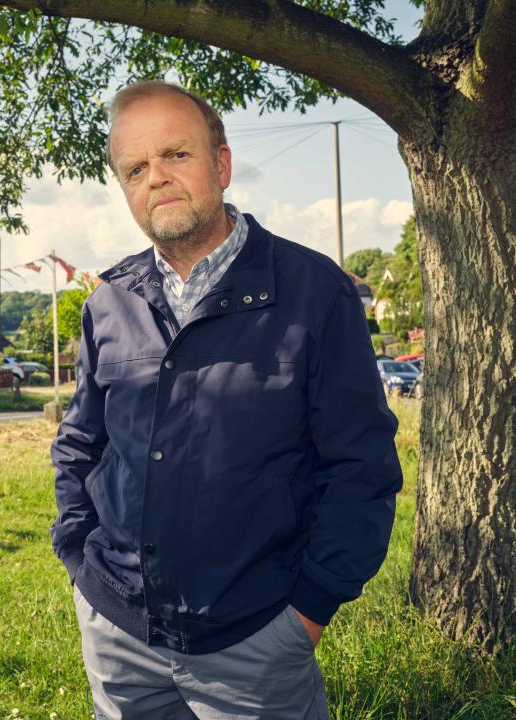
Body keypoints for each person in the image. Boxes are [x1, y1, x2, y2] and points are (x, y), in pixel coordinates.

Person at [51, 80, 403, 720]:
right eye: (135, 168)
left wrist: (310, 608)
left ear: (222, 164)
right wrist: (80, 562)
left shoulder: (314, 292)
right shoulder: (109, 302)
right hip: (119, 636)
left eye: (175, 155)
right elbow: (80, 443)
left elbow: (361, 466)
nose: (155, 177)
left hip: (256, 641)